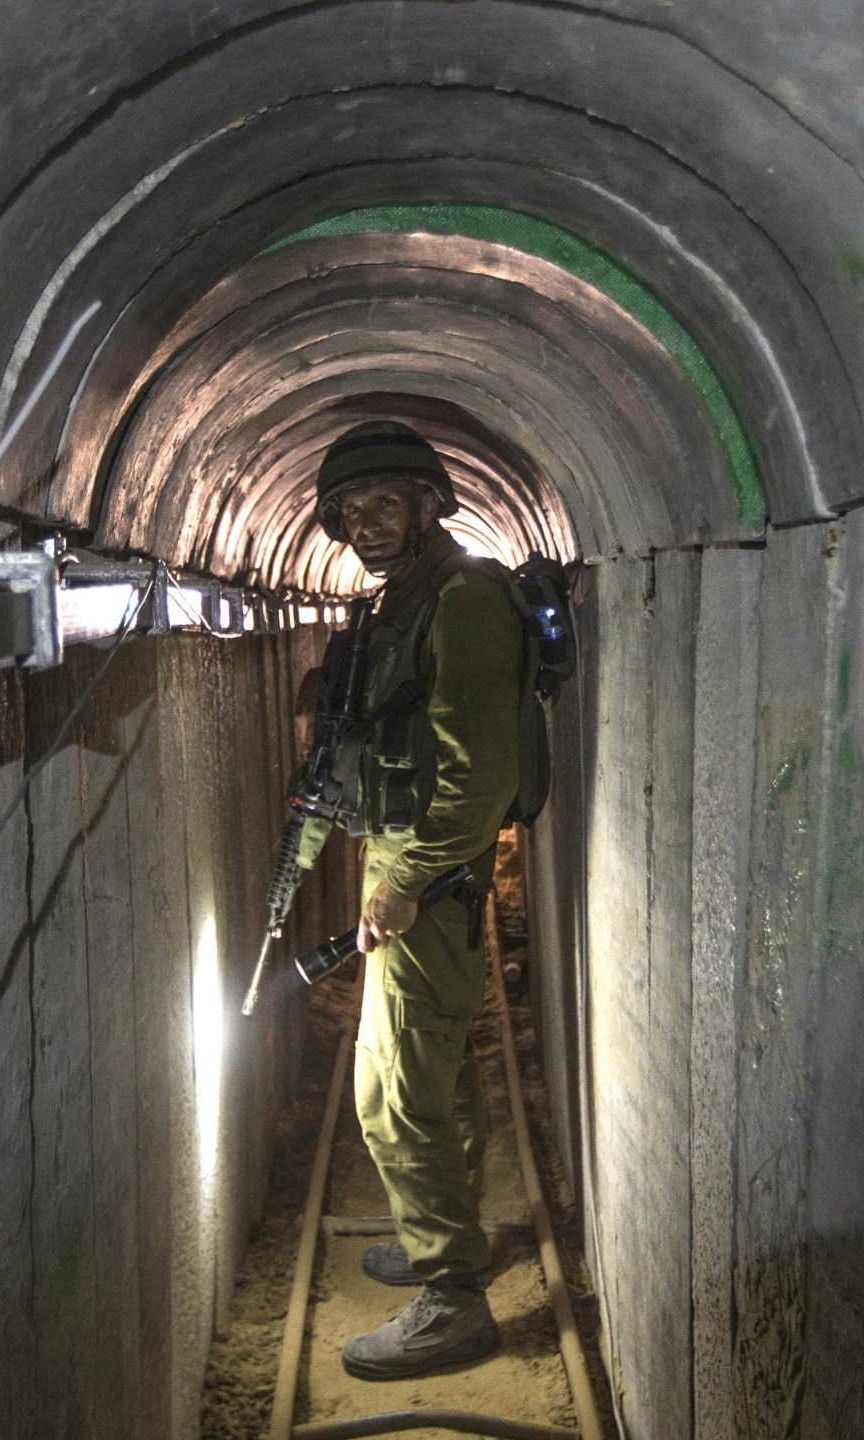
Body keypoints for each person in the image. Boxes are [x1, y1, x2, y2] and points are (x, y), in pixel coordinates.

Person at [313, 419, 528, 1380]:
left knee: (396, 1092)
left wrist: (404, 882)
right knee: (423, 1071)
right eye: (351, 511)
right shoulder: (407, 597)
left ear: (429, 502)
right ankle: (443, 1235)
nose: (366, 522)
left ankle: (452, 1297)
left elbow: (482, 773)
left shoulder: (464, 598)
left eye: (384, 503)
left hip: (428, 872)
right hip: (408, 862)